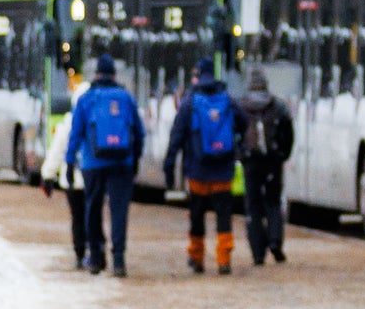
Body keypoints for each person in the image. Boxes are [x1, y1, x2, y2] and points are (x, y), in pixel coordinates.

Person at [63, 51, 145, 278]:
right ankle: (119, 260)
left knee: (93, 208)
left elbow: (75, 133)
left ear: (96, 73)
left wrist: (69, 163)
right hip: (122, 162)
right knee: (119, 211)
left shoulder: (86, 98)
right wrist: (135, 158)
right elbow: (139, 132)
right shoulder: (126, 98)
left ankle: (96, 257)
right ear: (113, 74)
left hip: (92, 162)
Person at [161, 61, 241, 275]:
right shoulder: (227, 99)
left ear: (197, 76)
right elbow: (243, 121)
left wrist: (169, 165)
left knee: (197, 216)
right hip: (223, 170)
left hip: (197, 171)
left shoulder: (190, 102)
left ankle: (197, 258)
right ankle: (224, 260)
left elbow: (176, 136)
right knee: (224, 215)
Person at [238, 60, 294, 267]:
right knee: (273, 202)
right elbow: (288, 132)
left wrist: (240, 154)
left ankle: (257, 253)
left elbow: (234, 131)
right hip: (273, 161)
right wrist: (283, 154)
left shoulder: (241, 106)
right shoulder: (277, 106)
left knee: (252, 206)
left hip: (251, 162)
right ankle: (275, 241)